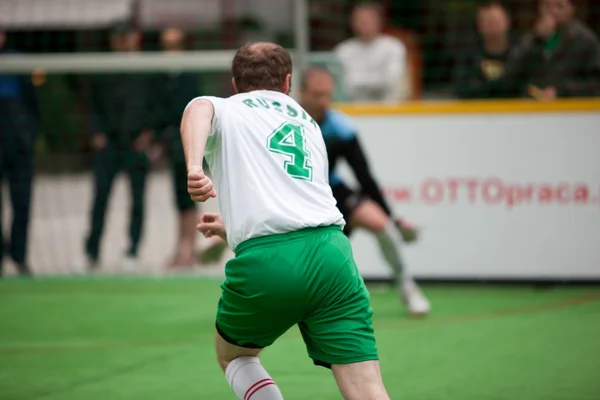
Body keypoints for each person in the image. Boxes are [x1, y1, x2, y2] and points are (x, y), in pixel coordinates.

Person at [182, 42, 390, 400]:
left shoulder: (227, 107)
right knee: (368, 388)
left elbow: (198, 109)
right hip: (333, 256)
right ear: (288, 82)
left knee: (233, 355)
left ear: (234, 83)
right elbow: (297, 203)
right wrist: (235, 227)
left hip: (271, 261)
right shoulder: (307, 121)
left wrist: (194, 167)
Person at [300, 66, 430, 316]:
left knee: (382, 226)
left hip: (332, 191)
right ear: (302, 93)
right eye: (317, 95)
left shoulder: (340, 127)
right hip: (298, 196)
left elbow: (364, 176)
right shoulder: (287, 121)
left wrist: (393, 216)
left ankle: (407, 287)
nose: (323, 101)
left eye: (327, 94)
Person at [83, 22, 154, 271]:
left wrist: (149, 132)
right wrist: (97, 134)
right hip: (109, 145)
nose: (123, 41)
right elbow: (91, 104)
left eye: (127, 36)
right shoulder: (103, 68)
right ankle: (91, 252)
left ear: (136, 38)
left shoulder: (147, 68)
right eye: (119, 37)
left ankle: (133, 250)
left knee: (137, 200)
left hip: (136, 144)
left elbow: (157, 103)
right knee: (100, 199)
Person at [154, 27, 200, 268]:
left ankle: (190, 250)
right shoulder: (161, 74)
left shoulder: (189, 73)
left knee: (190, 195)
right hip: (172, 141)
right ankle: (181, 248)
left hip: (190, 140)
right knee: (179, 197)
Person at [0, 29, 39, 278]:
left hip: (18, 146)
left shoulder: (16, 62)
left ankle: (19, 257)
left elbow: (34, 104)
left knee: (22, 203)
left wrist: (30, 135)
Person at [505, 0, 600, 99]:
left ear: (572, 9)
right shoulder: (529, 40)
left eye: (559, 6)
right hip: (530, 108)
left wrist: (561, 91)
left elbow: (595, 83)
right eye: (547, 6)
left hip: (569, 109)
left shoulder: (585, 41)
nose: (553, 11)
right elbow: (512, 77)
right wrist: (537, 41)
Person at [334, 2, 406, 102]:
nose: (365, 24)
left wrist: (356, 82)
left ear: (380, 21)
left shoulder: (394, 47)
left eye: (369, 19)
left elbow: (391, 81)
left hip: (388, 109)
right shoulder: (343, 50)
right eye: (361, 20)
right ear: (352, 23)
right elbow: (341, 87)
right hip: (352, 109)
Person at [454, 1, 514, 99]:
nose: (493, 26)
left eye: (496, 20)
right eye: (487, 22)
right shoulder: (469, 59)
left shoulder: (520, 54)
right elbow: (463, 91)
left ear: (507, 21)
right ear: (479, 26)